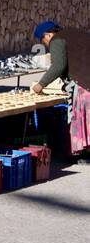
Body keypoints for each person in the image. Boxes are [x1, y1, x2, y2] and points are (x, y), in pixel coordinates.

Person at [31, 20, 90, 156]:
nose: (45, 44)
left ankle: (85, 155)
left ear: (47, 35)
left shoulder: (57, 40)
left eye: (42, 40)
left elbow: (59, 65)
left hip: (85, 84)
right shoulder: (73, 34)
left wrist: (41, 85)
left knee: (85, 121)